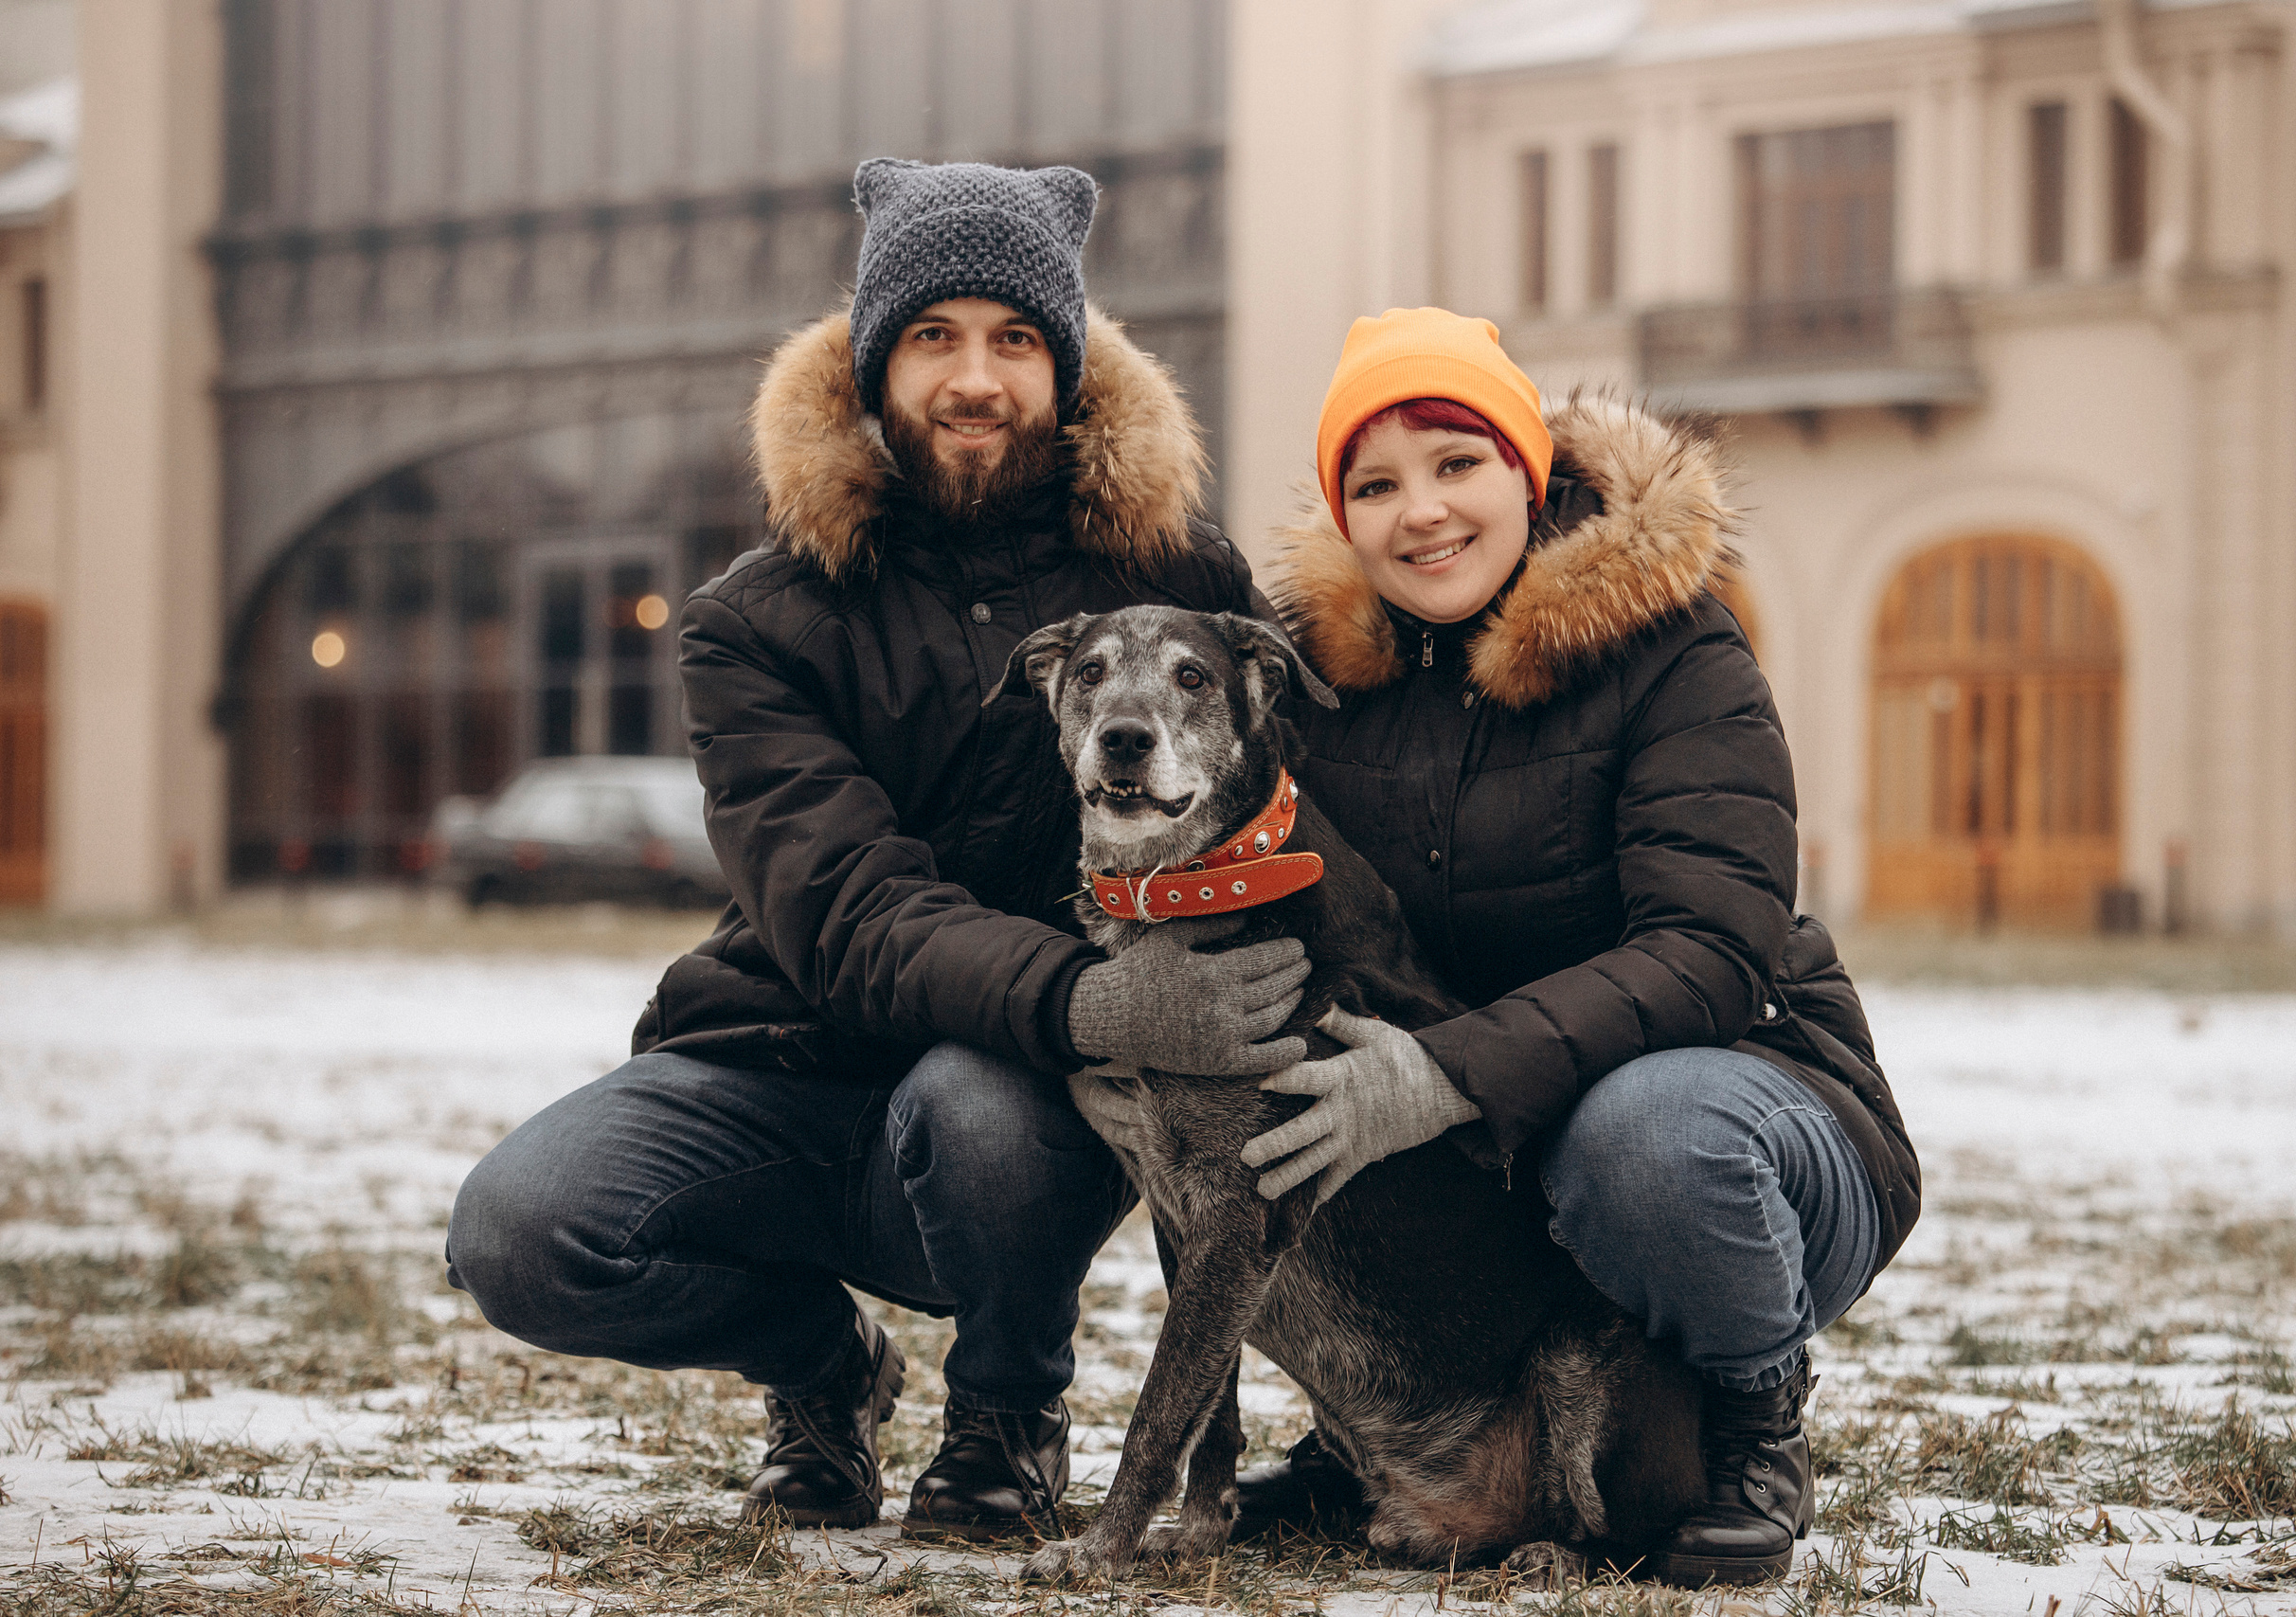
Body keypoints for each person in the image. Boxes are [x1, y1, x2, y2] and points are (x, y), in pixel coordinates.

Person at [443, 159, 1309, 1543]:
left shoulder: (1181, 583)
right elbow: (845, 906)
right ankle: (822, 1369)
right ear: (872, 365)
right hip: (784, 1056)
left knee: (982, 1104)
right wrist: (1087, 995)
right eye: (935, 337)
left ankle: (1007, 1414)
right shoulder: (755, 620)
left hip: (1015, 1101)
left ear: (1070, 367)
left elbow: (1314, 799)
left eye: (1017, 339)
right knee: (520, 1231)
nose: (977, 379)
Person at [1229, 308, 1922, 1587]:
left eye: (1454, 462)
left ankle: (1749, 1425)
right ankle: (1381, 1435)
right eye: (1373, 485)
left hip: (1740, 1128)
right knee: (1266, 1100)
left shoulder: (1672, 648)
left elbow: (1715, 948)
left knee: (1640, 1132)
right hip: (1501, 1170)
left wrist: (1448, 1074)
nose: (1420, 512)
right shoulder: (1317, 689)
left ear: (1525, 471)